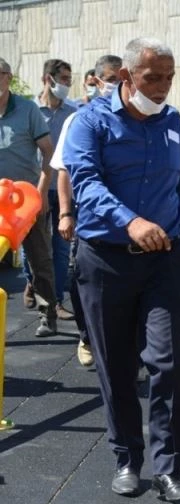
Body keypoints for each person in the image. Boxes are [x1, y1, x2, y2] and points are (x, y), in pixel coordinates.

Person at [62, 37, 180, 502]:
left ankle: (168, 468)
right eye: (152, 77)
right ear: (125, 76)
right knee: (117, 366)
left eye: (169, 78)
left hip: (162, 262)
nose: (162, 87)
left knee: (170, 362)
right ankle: (127, 458)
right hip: (105, 261)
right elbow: (85, 182)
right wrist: (131, 221)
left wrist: (178, 231)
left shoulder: (172, 121)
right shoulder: (89, 122)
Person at [55, 54, 123, 367]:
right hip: (89, 219)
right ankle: (86, 336)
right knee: (81, 282)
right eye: (110, 79)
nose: (116, 85)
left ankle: (128, 351)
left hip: (127, 220)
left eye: (121, 79)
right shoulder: (78, 120)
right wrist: (65, 213)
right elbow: (64, 170)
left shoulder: (137, 117)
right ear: (95, 81)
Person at [0, 57, 57, 337]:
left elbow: (48, 151)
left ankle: (48, 314)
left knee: (39, 259)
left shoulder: (27, 109)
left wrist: (42, 191)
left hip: (25, 201)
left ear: (8, 77)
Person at [27, 59, 78, 324]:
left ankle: (55, 301)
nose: (68, 84)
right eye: (64, 79)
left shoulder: (73, 112)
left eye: (69, 79)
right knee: (32, 248)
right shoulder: (30, 110)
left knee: (61, 248)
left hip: (64, 188)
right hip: (34, 189)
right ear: (48, 79)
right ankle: (33, 282)